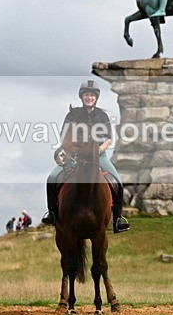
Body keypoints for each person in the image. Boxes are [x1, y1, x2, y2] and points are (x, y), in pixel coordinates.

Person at [42, 80, 130, 234]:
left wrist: (97, 151)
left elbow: (108, 139)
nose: (89, 97)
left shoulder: (102, 116)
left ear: (96, 97)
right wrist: (64, 154)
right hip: (74, 156)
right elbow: (65, 136)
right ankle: (52, 214)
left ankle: (118, 218)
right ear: (81, 97)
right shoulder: (73, 114)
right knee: (52, 177)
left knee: (118, 182)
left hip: (99, 156)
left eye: (92, 95)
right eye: (86, 95)